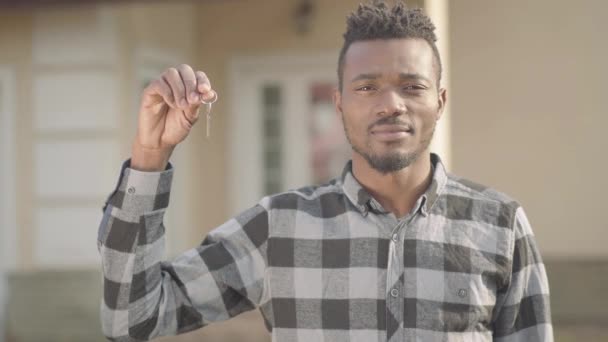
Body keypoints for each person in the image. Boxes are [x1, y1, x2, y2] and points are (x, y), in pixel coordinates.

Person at [97, 1, 553, 341]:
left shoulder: (500, 226)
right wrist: (149, 156)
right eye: (367, 86)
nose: (390, 104)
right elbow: (132, 317)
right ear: (339, 104)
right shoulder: (278, 228)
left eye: (412, 86)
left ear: (440, 100)